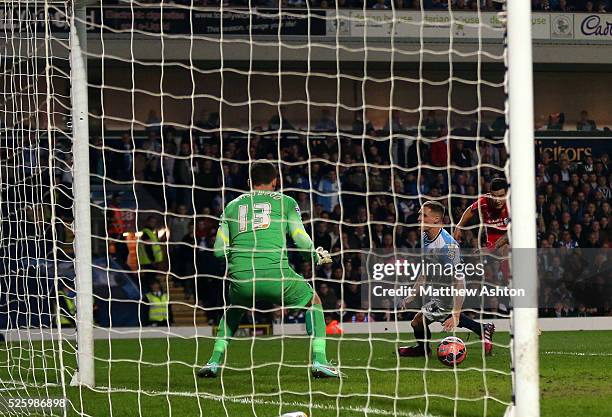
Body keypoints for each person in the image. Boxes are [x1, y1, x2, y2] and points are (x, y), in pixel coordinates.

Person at [198, 162, 341, 378]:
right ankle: (319, 361)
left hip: (242, 279)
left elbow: (218, 251)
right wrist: (314, 255)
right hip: (277, 277)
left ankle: (213, 362)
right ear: (275, 181)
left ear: (249, 182)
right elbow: (301, 240)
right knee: (314, 303)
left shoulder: (231, 207)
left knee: (233, 312)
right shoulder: (286, 202)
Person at [397, 201, 495, 357]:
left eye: (424, 215)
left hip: (449, 292)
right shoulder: (425, 237)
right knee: (424, 320)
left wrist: (456, 313)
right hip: (438, 289)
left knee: (418, 321)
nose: (418, 218)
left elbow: (459, 280)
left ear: (436, 219)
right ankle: (483, 329)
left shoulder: (448, 246)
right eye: (419, 214)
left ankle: (423, 350)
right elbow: (425, 270)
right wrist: (412, 294)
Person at [137, 216, 165, 290]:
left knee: (150, 280)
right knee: (150, 281)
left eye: (154, 222)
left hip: (150, 261)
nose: (153, 223)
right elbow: (148, 248)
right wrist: (152, 260)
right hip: (148, 261)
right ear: (147, 222)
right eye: (151, 222)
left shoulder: (152, 232)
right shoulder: (146, 232)